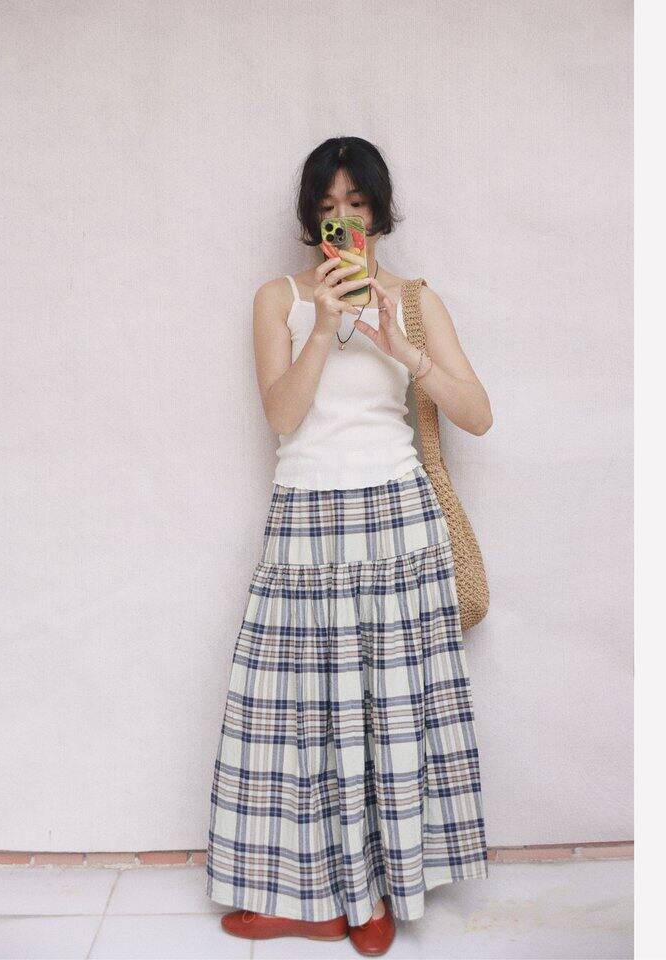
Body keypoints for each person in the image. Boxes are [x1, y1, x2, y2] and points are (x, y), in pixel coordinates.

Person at [205, 136, 492, 957]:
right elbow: (282, 417)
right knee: (296, 714)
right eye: (329, 208)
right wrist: (324, 326)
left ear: (380, 212)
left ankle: (375, 898)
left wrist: (403, 350)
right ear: (310, 217)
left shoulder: (414, 302)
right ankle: (318, 896)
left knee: (389, 713)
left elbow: (477, 414)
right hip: (304, 519)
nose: (344, 221)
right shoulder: (279, 299)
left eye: (357, 206)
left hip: (398, 519)